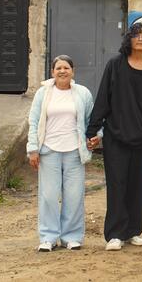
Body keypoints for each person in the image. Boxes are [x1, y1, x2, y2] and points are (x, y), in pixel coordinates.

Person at [86, 22, 142, 252]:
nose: (141, 38)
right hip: (116, 138)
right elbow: (103, 99)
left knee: (137, 187)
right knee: (117, 185)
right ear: (128, 40)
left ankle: (133, 231)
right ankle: (115, 234)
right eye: (136, 35)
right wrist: (93, 131)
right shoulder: (115, 65)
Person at [27, 55, 94, 252]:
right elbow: (34, 121)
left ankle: (71, 237)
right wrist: (33, 149)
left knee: (74, 196)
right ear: (52, 72)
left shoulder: (82, 93)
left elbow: (91, 120)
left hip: (74, 151)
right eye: (58, 68)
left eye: (66, 67)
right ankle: (48, 237)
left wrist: (96, 137)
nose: (62, 71)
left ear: (73, 71)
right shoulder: (43, 93)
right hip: (48, 151)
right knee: (48, 196)